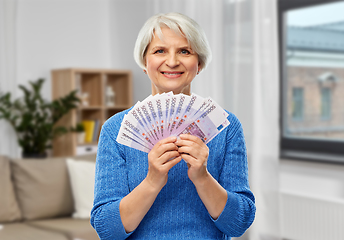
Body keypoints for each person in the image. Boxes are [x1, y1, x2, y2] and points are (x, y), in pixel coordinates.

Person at [90, 12, 255, 240]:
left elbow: (239, 223)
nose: (172, 61)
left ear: (199, 64)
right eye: (160, 51)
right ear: (145, 63)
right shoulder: (115, 129)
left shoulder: (226, 127)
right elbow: (107, 230)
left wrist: (202, 177)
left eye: (184, 51)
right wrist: (152, 181)